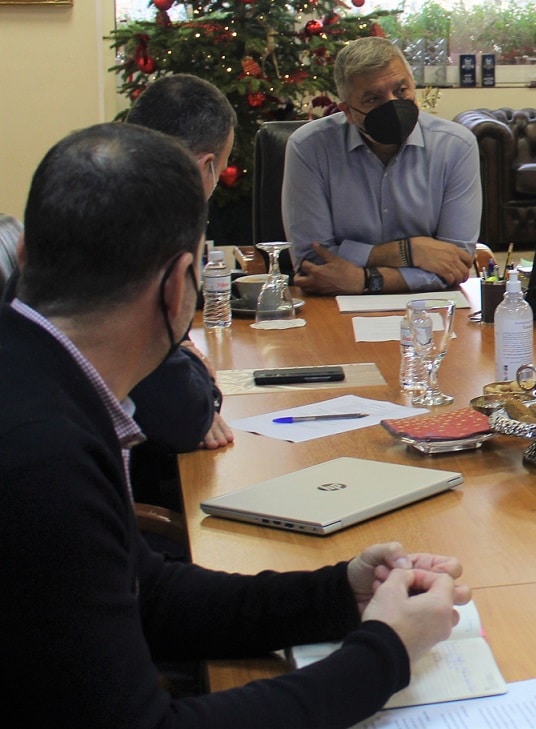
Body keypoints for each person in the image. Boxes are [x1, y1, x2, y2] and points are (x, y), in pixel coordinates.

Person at [1, 123, 468, 726]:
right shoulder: (44, 460)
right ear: (179, 289)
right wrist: (388, 651)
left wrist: (338, 596)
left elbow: (145, 592)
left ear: (26, 254)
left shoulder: (36, 379)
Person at [283, 35, 481, 295]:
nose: (393, 105)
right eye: (373, 99)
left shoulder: (456, 146)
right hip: (334, 307)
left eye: (401, 91)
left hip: (429, 306)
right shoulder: (309, 147)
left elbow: (455, 263)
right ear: (348, 111)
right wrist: (410, 251)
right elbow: (313, 261)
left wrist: (365, 280)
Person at [125, 74, 238, 506]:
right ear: (204, 167)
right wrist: (201, 386)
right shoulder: (146, 231)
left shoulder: (101, 192)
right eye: (219, 169)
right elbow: (186, 416)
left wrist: (181, 354)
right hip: (128, 499)